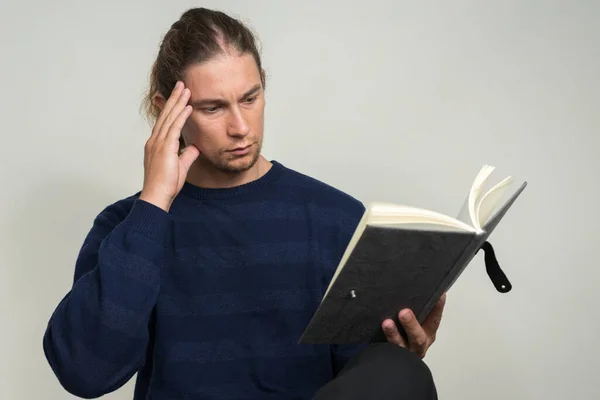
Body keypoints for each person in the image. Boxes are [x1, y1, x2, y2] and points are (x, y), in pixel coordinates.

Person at [42, 7, 446, 400]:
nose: (240, 128)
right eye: (214, 108)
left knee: (401, 371)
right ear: (169, 112)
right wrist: (153, 205)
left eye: (249, 99)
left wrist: (393, 356)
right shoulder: (129, 227)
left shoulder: (335, 218)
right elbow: (85, 373)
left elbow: (363, 378)